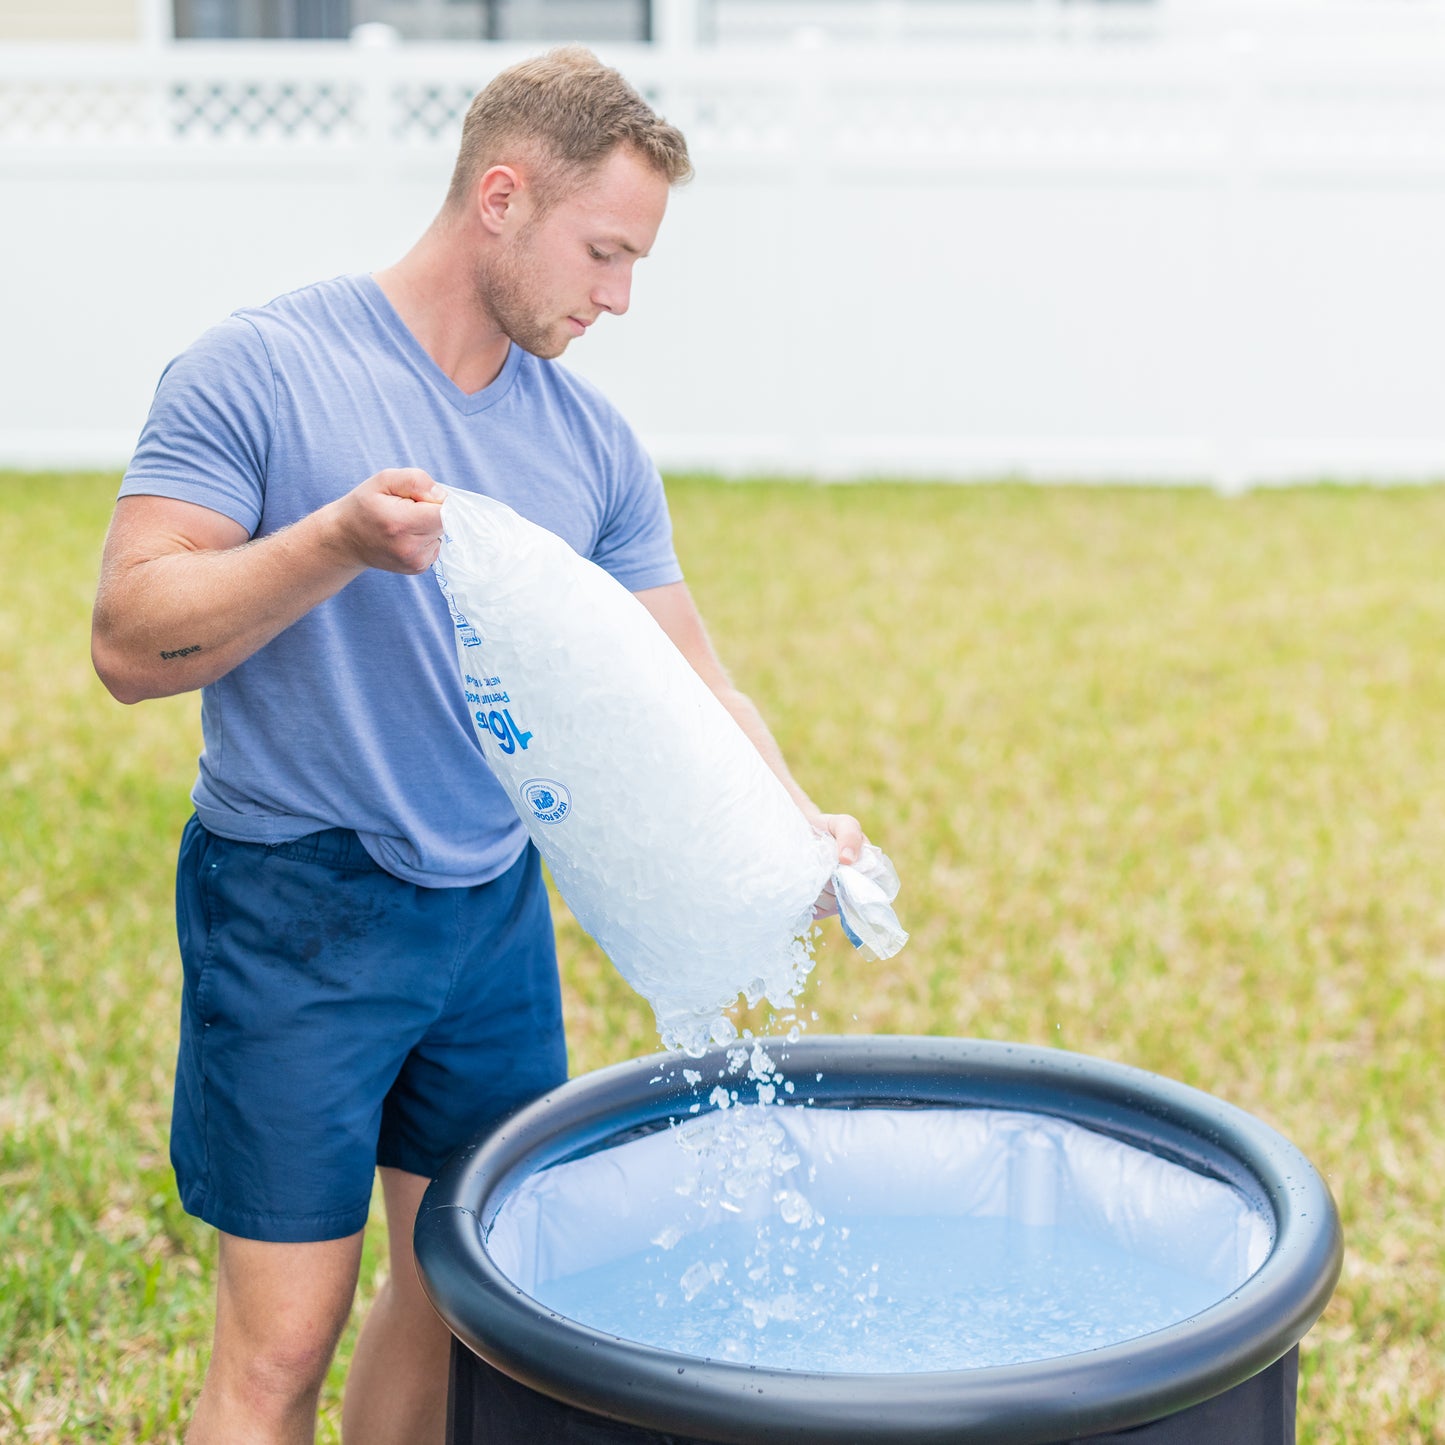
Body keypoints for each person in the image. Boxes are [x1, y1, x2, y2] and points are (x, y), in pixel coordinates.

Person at [91, 45, 863, 1445]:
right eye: (606, 252)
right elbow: (130, 641)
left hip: (490, 911)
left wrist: (798, 829)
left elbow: (695, 677)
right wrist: (331, 541)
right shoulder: (263, 368)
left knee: (461, 1298)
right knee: (281, 1341)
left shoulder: (591, 445)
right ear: (500, 197)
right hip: (296, 903)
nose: (618, 297)